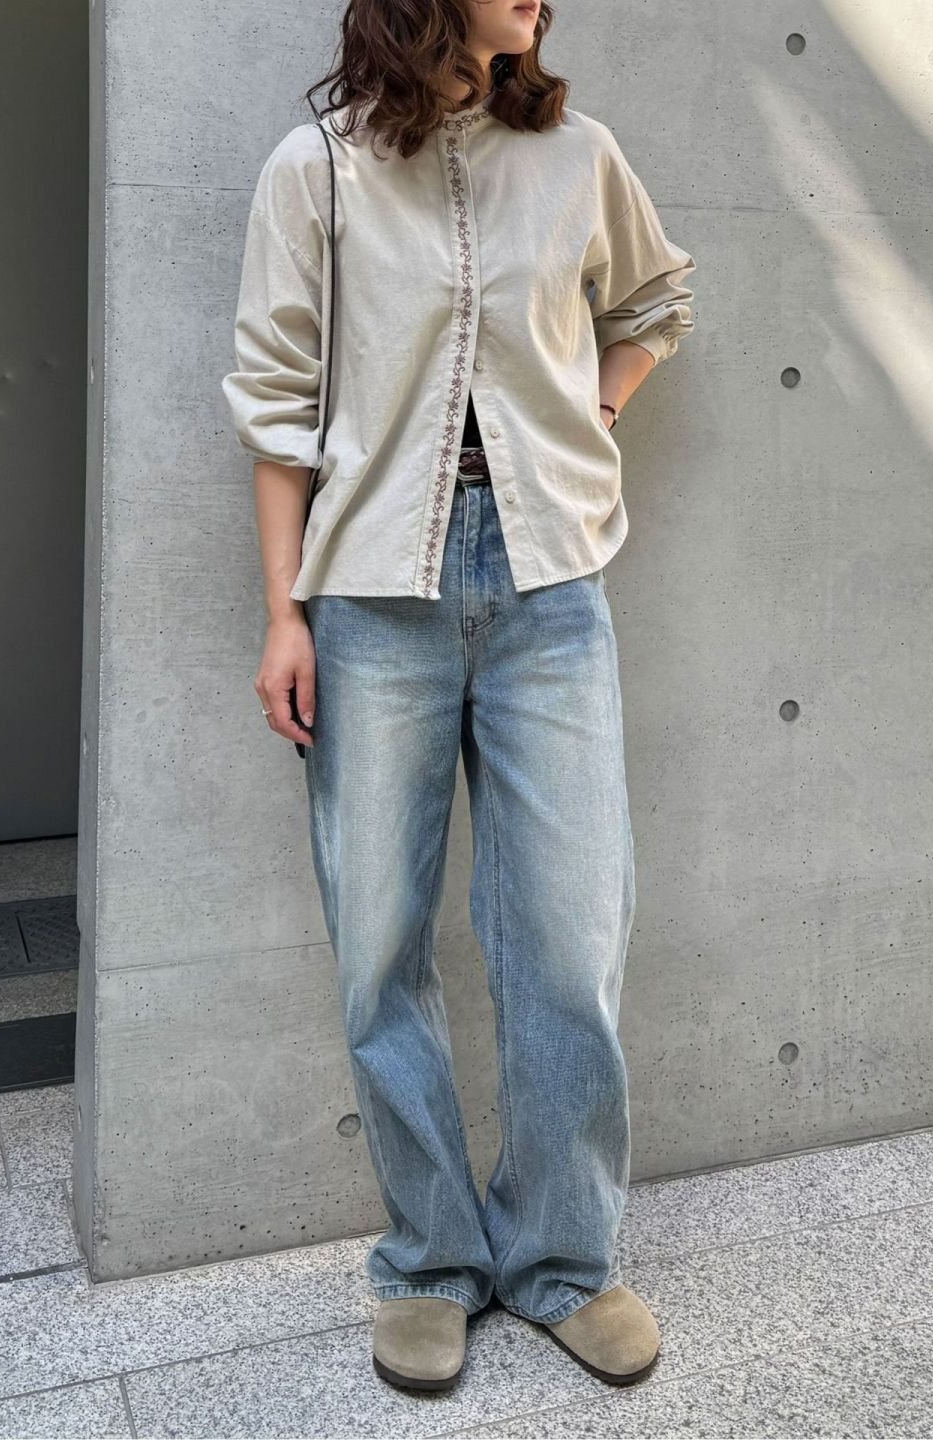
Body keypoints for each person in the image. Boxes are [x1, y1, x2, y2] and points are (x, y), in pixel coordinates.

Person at [222, 0, 696, 1395]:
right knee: (379, 943)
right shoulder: (316, 168)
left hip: (552, 586)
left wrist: (593, 411)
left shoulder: (579, 154)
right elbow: (276, 401)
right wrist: (283, 614)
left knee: (568, 935)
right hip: (374, 594)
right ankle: (430, 1259)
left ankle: (563, 1259)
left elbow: (655, 304)